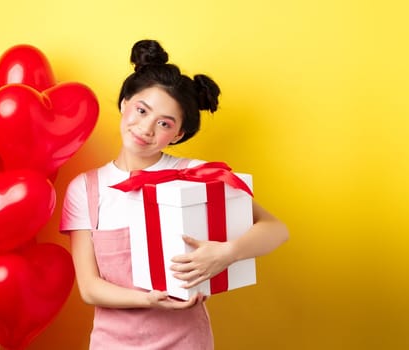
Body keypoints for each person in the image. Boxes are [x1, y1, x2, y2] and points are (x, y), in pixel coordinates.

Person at [59, 39, 289, 349]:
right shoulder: (86, 189)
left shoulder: (195, 174)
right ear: (125, 103)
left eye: (164, 123)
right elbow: (89, 288)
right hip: (112, 343)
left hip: (186, 339)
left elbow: (276, 230)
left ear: (178, 134)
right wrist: (149, 300)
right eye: (141, 110)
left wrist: (226, 253)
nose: (146, 128)